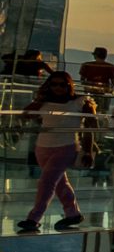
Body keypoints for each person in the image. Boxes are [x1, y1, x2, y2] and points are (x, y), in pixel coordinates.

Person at [17, 71, 96, 232]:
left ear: (69, 85)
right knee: (60, 183)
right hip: (42, 147)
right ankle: (73, 213)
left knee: (47, 182)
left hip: (65, 147)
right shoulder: (45, 102)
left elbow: (91, 128)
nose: (58, 88)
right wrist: (39, 100)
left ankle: (34, 218)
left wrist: (88, 150)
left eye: (62, 84)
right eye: (53, 84)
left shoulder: (81, 102)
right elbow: (25, 115)